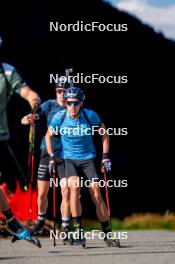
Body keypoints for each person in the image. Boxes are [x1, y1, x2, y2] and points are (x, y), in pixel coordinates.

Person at [45, 86, 119, 246]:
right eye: (69, 103)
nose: (72, 107)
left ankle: (107, 233)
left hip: (88, 159)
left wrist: (105, 157)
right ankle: (78, 230)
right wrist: (51, 157)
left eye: (75, 103)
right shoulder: (60, 116)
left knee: (96, 193)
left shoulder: (90, 115)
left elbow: (104, 134)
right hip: (69, 160)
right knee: (74, 190)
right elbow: (48, 136)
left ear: (81, 102)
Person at [21, 80, 70, 238]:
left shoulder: (74, 106)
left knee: (66, 191)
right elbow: (24, 119)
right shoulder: (48, 105)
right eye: (59, 91)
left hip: (66, 154)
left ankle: (65, 225)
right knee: (42, 192)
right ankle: (40, 221)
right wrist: (29, 119)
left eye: (64, 91)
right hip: (45, 151)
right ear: (56, 92)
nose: (61, 94)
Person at [0, 34, 41, 190]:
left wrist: (34, 101)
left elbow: (28, 93)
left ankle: (9, 214)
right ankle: (9, 214)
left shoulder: (8, 72)